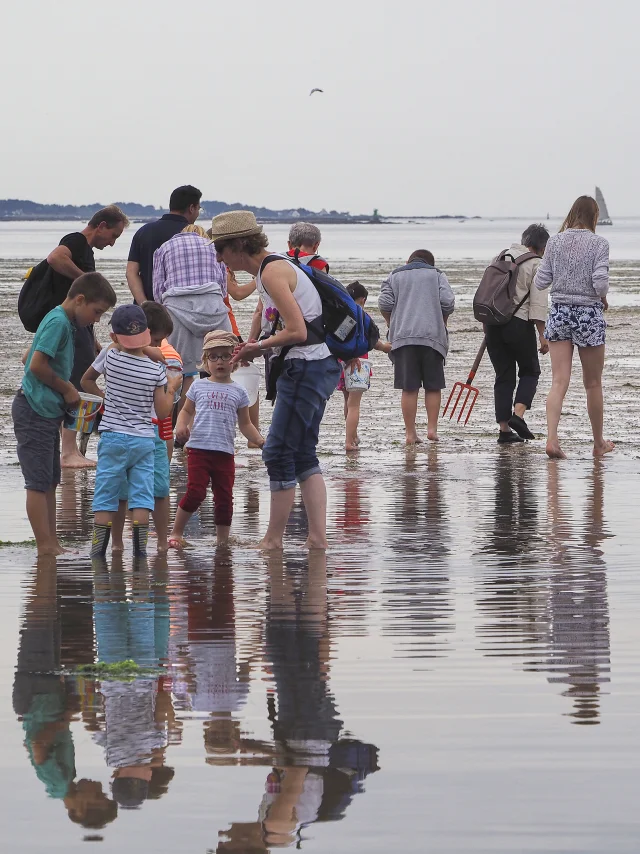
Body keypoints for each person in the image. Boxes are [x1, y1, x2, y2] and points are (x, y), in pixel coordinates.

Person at [210, 211, 341, 551]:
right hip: (317, 366)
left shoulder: (271, 272)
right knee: (302, 455)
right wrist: (255, 347)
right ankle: (316, 539)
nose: (219, 257)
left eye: (220, 249)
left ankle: (273, 540)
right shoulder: (272, 269)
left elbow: (297, 330)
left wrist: (258, 345)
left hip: (305, 368)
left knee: (278, 453)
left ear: (239, 245)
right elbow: (282, 324)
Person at [12, 273, 117, 557]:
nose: (96, 320)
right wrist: (67, 388)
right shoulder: (58, 321)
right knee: (37, 482)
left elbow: (29, 356)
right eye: (96, 312)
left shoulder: (67, 324)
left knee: (50, 480)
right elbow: (35, 365)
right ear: (80, 299)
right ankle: (45, 546)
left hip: (48, 412)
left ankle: (52, 542)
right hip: (33, 409)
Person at [82, 302, 182, 553]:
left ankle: (99, 551)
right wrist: (171, 387)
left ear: (114, 335)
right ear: (148, 335)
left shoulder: (110, 354)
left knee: (107, 494)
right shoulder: (155, 370)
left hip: (113, 437)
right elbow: (162, 412)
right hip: (144, 441)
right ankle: (140, 551)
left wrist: (107, 398)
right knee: (142, 497)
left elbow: (86, 381)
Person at [44, 206, 129, 468]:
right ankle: (69, 451)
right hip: (71, 325)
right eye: (113, 235)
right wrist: (88, 282)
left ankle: (69, 450)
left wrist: (93, 342)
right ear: (101, 225)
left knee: (76, 379)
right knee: (76, 383)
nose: (112, 243)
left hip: (80, 328)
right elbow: (54, 258)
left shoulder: (84, 249)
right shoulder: (76, 241)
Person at [534, 195, 614, 459]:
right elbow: (600, 284)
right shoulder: (599, 243)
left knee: (559, 381)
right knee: (592, 384)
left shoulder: (554, 242)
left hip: (559, 312)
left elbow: (541, 281)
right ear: (594, 216)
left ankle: (552, 439)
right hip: (588, 314)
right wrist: (599, 294)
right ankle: (598, 443)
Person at [169, 330, 265, 548]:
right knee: (195, 492)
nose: (220, 361)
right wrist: (181, 426)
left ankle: (222, 541)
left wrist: (260, 441)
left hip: (224, 453)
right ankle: (176, 533)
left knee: (224, 498)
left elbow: (246, 424)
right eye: (214, 356)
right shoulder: (199, 386)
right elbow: (185, 411)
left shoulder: (239, 391)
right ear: (205, 360)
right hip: (199, 450)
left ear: (235, 360)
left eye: (225, 356)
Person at [379, 249, 455, 444]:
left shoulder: (395, 275)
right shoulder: (437, 274)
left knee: (409, 388)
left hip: (403, 339)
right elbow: (448, 302)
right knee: (433, 386)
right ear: (431, 263)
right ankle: (432, 430)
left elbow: (384, 303)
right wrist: (442, 321)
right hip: (433, 338)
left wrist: (391, 323)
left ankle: (410, 434)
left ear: (408, 261)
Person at [484, 224, 550, 444]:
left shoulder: (499, 256)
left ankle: (504, 431)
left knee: (503, 375)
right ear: (541, 247)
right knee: (530, 370)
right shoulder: (536, 263)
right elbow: (538, 304)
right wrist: (543, 335)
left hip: (492, 323)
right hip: (518, 324)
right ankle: (518, 416)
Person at [337, 282, 392, 451]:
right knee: (354, 404)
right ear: (363, 300)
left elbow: (338, 338)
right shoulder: (361, 316)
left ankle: (352, 435)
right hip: (358, 365)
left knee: (347, 401)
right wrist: (385, 347)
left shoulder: (342, 316)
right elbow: (373, 342)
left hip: (341, 363)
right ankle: (349, 441)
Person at [126, 185, 202, 304]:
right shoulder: (195, 235)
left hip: (146, 311)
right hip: (182, 310)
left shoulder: (143, 231)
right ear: (192, 208)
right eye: (199, 209)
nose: (198, 213)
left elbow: (131, 272)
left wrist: (144, 305)